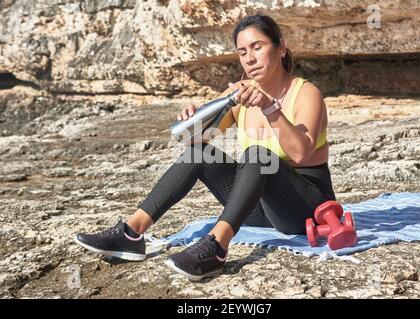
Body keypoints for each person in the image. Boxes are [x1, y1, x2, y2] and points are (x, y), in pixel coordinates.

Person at [74, 14, 335, 281]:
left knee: (257, 155)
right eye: (242, 51)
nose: (250, 58)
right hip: (262, 210)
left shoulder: (305, 93)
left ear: (280, 47)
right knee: (201, 153)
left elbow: (300, 152)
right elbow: (195, 143)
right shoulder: (240, 93)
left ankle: (216, 248)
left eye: (258, 47)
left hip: (307, 209)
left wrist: (269, 107)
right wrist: (193, 121)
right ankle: (131, 233)